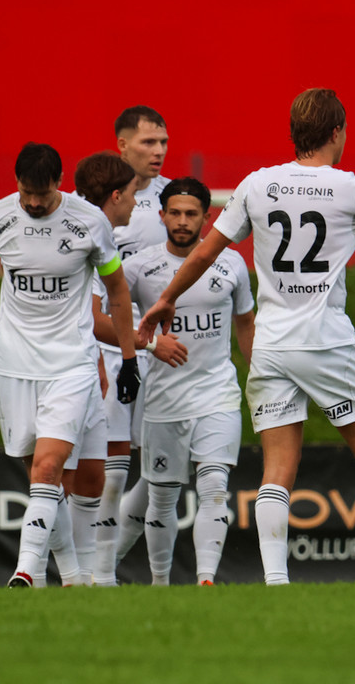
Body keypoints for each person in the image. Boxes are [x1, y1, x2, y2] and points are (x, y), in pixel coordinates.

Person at [138, 88, 355, 584]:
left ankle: (276, 582)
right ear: (336, 132)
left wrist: (168, 297)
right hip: (326, 341)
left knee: (278, 467)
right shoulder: (350, 187)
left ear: (295, 133)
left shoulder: (258, 184)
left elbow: (205, 251)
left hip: (272, 346)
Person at [0, 143, 139, 587]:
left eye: (43, 193)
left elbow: (116, 289)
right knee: (46, 481)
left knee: (49, 469)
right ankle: (73, 578)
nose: (34, 202)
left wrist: (129, 357)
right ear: (16, 184)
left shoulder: (89, 223)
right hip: (13, 363)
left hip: (70, 363)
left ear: (59, 183)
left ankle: (24, 572)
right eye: (26, 192)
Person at [124, 177, 254, 586]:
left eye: (191, 214)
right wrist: (151, 344)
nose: (182, 221)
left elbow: (246, 324)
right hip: (163, 401)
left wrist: (259, 377)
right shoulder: (138, 267)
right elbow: (106, 320)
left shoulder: (232, 264)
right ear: (161, 215)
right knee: (162, 497)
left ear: (207, 218)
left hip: (218, 394)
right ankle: (160, 585)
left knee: (215, 486)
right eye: (175, 213)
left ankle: (205, 581)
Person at [67, 152, 187, 586]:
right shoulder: (89, 232)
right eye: (133, 195)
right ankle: (92, 574)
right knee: (92, 473)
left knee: (153, 470)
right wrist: (147, 344)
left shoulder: (101, 231)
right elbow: (94, 317)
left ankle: (96, 571)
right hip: (98, 357)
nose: (139, 205)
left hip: (127, 353)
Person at [94, 106, 172, 585]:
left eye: (163, 142)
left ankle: (105, 565)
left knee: (164, 468)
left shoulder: (173, 200)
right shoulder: (93, 200)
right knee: (110, 467)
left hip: (157, 349)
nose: (158, 151)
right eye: (148, 142)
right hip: (106, 346)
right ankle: (97, 572)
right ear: (122, 145)